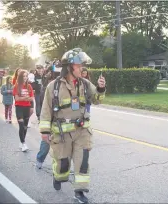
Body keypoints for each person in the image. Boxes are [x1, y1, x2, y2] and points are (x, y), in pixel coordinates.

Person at [39, 48, 106, 203]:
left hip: (82, 132)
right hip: (61, 134)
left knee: (82, 163)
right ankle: (58, 176)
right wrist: (45, 131)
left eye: (83, 64)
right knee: (63, 167)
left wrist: (101, 88)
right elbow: (46, 110)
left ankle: (80, 192)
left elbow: (97, 99)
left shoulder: (85, 83)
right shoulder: (53, 87)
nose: (82, 67)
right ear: (69, 66)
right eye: (78, 64)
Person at [36, 62, 60, 169]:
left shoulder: (65, 83)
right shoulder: (48, 85)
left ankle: (62, 165)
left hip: (63, 118)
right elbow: (43, 103)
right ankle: (40, 159)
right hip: (51, 116)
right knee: (46, 142)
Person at [13, 70, 34, 152]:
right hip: (19, 108)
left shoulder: (29, 86)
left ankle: (21, 142)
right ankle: (23, 143)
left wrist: (23, 98)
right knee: (21, 125)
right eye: (23, 76)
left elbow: (32, 98)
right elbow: (17, 98)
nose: (25, 78)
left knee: (25, 127)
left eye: (26, 76)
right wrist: (26, 98)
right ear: (20, 77)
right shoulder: (16, 86)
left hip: (27, 108)